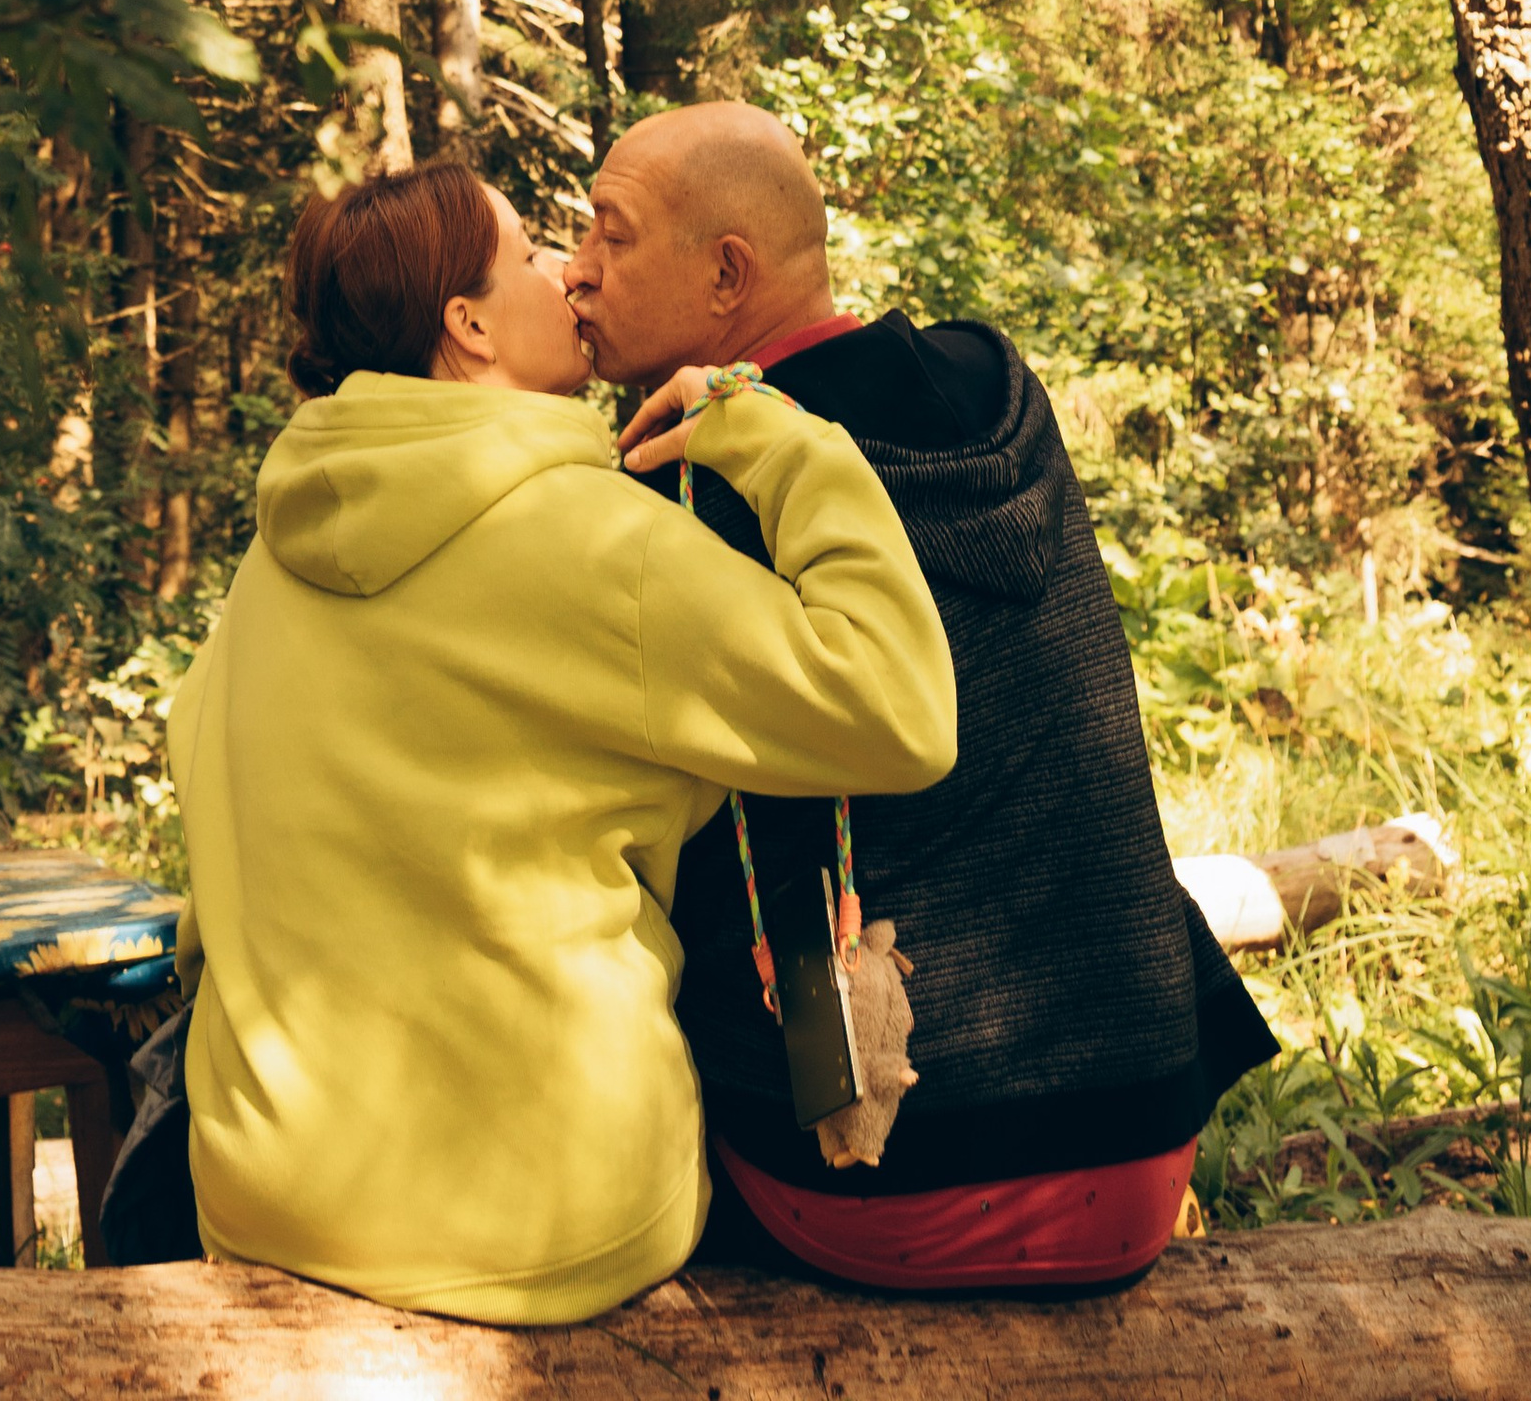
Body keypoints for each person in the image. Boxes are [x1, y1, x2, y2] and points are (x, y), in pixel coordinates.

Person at [157, 153, 957, 1324]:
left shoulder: (270, 559)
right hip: (547, 1219)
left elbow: (209, 897)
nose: (566, 273)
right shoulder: (596, 539)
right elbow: (897, 710)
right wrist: (784, 442)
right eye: (530, 249)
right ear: (469, 324)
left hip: (261, 1190)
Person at [562, 100, 1276, 1296]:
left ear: (726, 274)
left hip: (892, 1176)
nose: (575, 271)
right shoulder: (998, 391)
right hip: (1147, 1131)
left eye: (609, 236)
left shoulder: (694, 490)